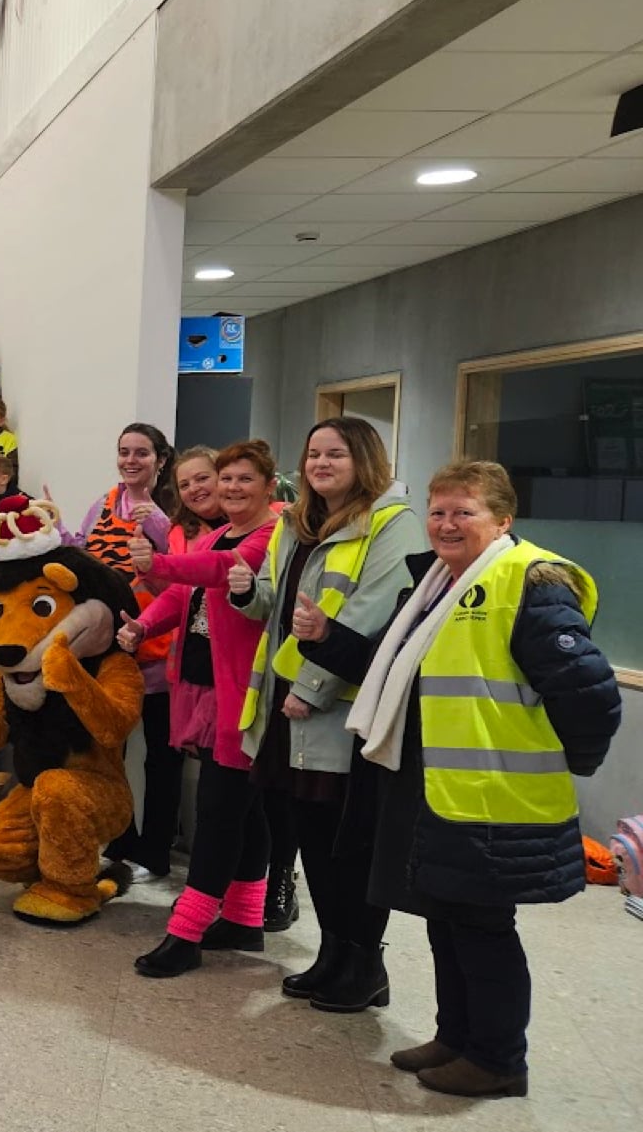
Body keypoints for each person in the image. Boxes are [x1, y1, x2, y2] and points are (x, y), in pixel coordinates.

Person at [342, 461, 619, 1098]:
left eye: (463, 511)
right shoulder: (440, 583)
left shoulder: (531, 581)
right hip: (443, 789)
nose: (445, 523)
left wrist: (571, 761)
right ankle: (457, 1036)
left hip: (496, 796)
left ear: (502, 519)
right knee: (447, 918)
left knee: (483, 929)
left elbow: (591, 693)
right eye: (438, 511)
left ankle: (498, 1061)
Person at [238, 417, 424, 1013]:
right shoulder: (296, 524)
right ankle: (333, 954)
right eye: (313, 452)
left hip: (337, 714)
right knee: (313, 842)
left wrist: (311, 689)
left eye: (335, 454)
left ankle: (366, 964)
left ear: (363, 459)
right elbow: (278, 610)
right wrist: (246, 591)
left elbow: (373, 617)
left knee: (351, 847)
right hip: (285, 709)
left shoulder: (393, 525)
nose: (320, 463)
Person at [120, 441, 281, 977]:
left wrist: (159, 559)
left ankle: (185, 932)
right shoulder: (216, 532)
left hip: (244, 694)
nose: (229, 488)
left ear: (268, 484)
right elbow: (183, 594)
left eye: (241, 480)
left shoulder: (272, 534)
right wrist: (144, 625)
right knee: (244, 810)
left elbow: (218, 569)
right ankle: (243, 918)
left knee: (217, 812)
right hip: (206, 688)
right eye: (225, 479)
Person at [83, 422, 181, 884]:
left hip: (160, 651)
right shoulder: (104, 502)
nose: (130, 460)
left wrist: (158, 530)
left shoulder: (175, 509)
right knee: (111, 752)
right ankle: (121, 839)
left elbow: (178, 578)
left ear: (160, 460)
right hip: (110, 652)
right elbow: (83, 553)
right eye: (124, 451)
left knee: (162, 758)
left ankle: (157, 852)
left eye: (142, 452)